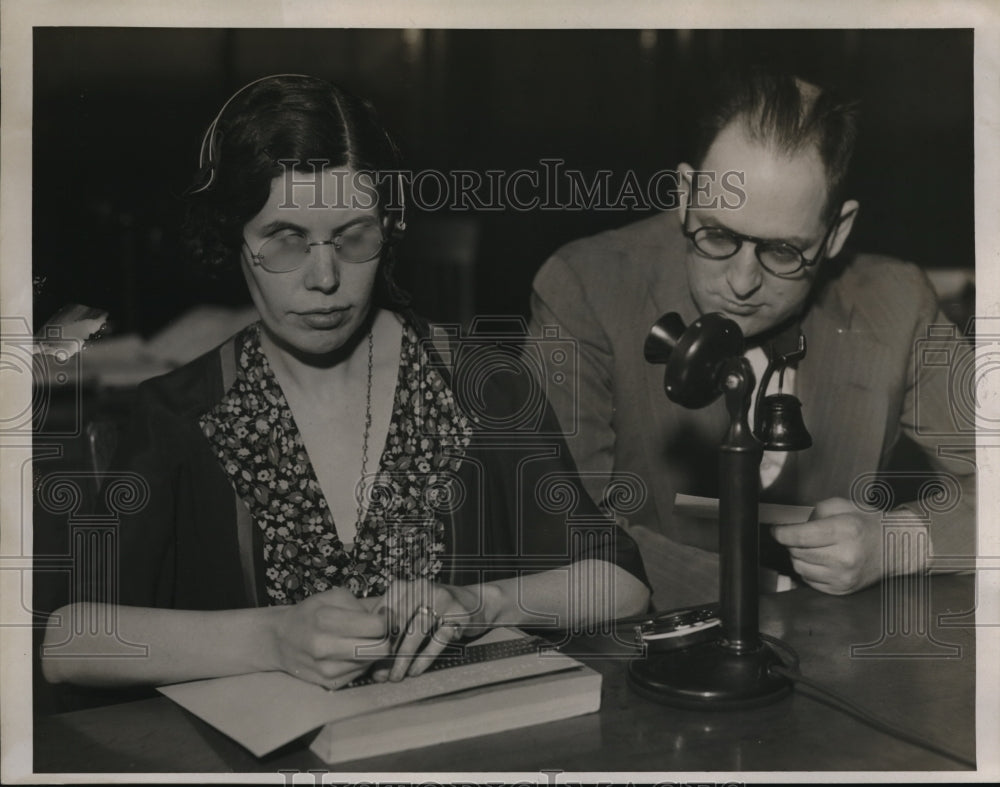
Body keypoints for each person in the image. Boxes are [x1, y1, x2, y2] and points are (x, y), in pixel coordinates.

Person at [42, 74, 649, 693]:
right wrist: (270, 637)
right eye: (285, 241)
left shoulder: (482, 386)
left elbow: (621, 584)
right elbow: (67, 642)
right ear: (234, 237)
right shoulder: (180, 412)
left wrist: (480, 603)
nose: (325, 278)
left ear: (392, 226)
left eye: (355, 236)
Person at [529, 68, 975, 608]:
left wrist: (897, 545)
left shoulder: (898, 301)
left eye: (784, 252)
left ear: (836, 233)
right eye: (717, 235)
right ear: (684, 194)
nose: (741, 284)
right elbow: (563, 529)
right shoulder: (585, 287)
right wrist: (767, 594)